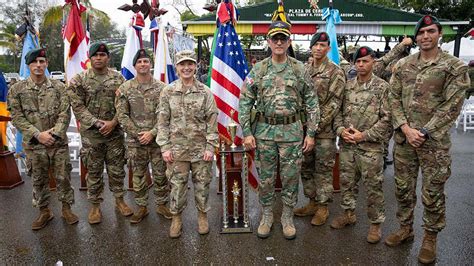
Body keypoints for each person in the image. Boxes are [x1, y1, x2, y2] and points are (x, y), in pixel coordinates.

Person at [385, 15, 470, 264]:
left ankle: (430, 238)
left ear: (439, 33)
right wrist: (405, 128)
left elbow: (453, 105)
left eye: (430, 31)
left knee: (432, 192)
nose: (425, 36)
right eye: (421, 32)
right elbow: (393, 98)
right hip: (404, 141)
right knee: (403, 189)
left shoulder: (454, 67)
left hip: (433, 144)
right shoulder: (403, 66)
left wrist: (423, 131)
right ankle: (405, 228)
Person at [238, 20, 320, 240]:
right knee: (266, 178)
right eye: (275, 38)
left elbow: (312, 102)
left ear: (289, 41)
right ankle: (266, 216)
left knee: (290, 177)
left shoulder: (299, 69)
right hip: (264, 133)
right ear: (268, 41)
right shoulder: (259, 69)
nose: (279, 42)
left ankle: (286, 216)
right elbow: (245, 101)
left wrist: (310, 133)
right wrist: (246, 132)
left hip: (292, 133)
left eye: (283, 38)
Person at [8, 48, 78, 230]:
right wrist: (38, 135)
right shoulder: (17, 89)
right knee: (39, 179)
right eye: (35, 62)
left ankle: (66, 208)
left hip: (57, 143)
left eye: (42, 61)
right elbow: (17, 117)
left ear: (46, 64)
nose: (38, 65)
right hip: (34, 145)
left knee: (63, 177)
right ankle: (44, 211)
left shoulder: (59, 87)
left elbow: (65, 113)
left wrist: (54, 135)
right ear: (28, 65)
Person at [331, 46, 391, 244]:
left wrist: (363, 136)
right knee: (347, 182)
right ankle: (348, 214)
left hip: (371, 147)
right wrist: (340, 131)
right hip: (348, 146)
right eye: (358, 61)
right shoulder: (347, 86)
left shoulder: (382, 87)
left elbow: (387, 119)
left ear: (374, 61)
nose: (361, 65)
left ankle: (375, 224)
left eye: (365, 61)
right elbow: (337, 113)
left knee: (373, 186)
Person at [68, 43, 133, 224]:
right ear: (90, 58)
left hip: (114, 134)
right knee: (94, 171)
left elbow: (124, 105)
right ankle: (95, 206)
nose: (99, 58)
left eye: (102, 55)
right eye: (95, 55)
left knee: (117, 170)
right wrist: (97, 123)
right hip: (92, 136)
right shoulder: (79, 80)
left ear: (108, 58)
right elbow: (78, 106)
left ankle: (120, 200)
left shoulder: (118, 79)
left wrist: (113, 123)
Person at [157, 50, 218, 238]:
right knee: (177, 186)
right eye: (182, 64)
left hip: (201, 151)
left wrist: (210, 147)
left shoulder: (205, 92)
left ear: (195, 66)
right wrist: (165, 147)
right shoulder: (168, 92)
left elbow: (212, 121)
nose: (186, 68)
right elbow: (162, 121)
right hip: (176, 151)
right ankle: (176, 219)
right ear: (176, 67)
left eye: (190, 64)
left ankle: (202, 216)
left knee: (202, 185)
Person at [294, 32, 345, 226]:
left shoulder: (335, 72)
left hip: (323, 133)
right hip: (304, 130)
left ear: (328, 48)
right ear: (311, 47)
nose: (318, 48)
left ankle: (323, 208)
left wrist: (313, 130)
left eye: (323, 45)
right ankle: (312, 202)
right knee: (306, 167)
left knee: (323, 170)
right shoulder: (304, 69)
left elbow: (333, 105)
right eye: (315, 45)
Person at [116, 49, 172, 224]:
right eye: (139, 62)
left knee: (161, 174)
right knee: (138, 175)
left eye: (146, 61)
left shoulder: (162, 88)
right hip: (135, 142)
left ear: (151, 64)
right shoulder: (125, 88)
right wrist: (137, 134)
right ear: (134, 66)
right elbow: (122, 115)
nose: (143, 64)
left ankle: (162, 205)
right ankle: (141, 207)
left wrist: (152, 133)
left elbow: (166, 115)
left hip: (157, 140)